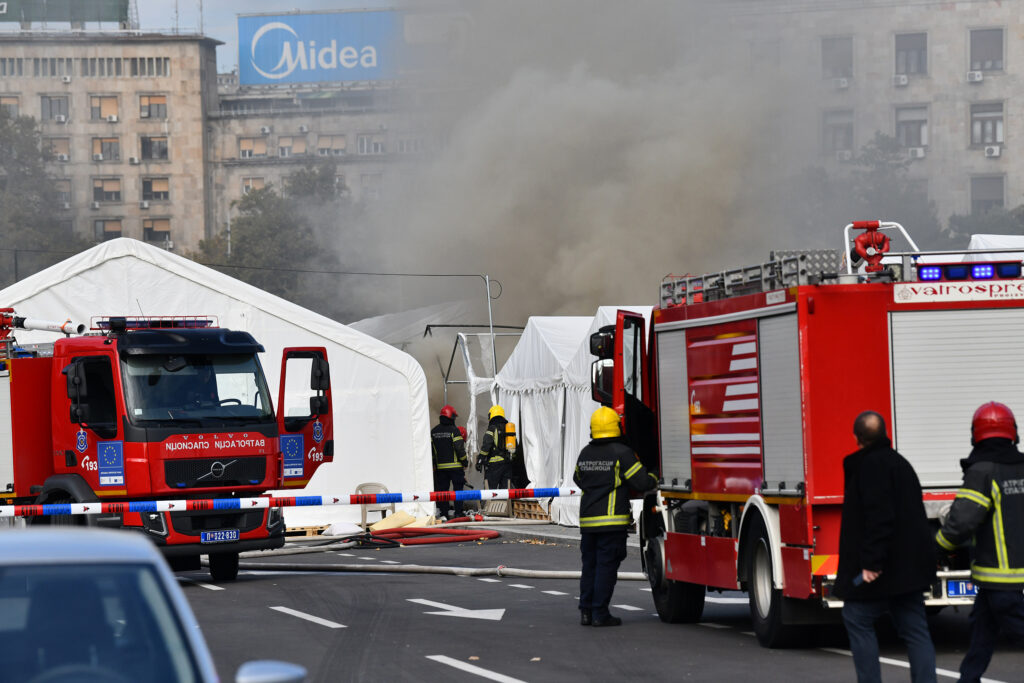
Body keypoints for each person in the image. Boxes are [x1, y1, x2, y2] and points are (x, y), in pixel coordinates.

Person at [834, 411, 936, 683]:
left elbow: (879, 517)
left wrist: (871, 563)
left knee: (856, 617)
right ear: (884, 434)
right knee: (916, 631)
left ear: (856, 438)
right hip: (908, 571)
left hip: (881, 569)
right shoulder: (902, 464)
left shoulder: (868, 467)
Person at [935, 401, 1024, 683]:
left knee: (1016, 628)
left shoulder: (982, 471)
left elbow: (961, 522)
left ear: (976, 435)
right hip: (999, 579)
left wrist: (936, 548)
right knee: (981, 633)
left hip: (999, 576)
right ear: (1014, 432)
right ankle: (968, 680)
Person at [573, 406, 657, 627]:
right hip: (611, 524)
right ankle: (600, 613)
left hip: (588, 523)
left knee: (589, 567)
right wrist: (656, 475)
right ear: (617, 427)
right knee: (606, 568)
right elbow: (642, 482)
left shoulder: (585, 453)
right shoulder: (622, 453)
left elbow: (578, 479)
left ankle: (586, 612)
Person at [430, 405, 467, 520]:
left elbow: (431, 451)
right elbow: (459, 448)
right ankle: (458, 513)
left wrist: (434, 464)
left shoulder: (434, 431)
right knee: (458, 491)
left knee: (442, 492)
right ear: (451, 417)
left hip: (440, 468)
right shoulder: (454, 430)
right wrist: (464, 461)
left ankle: (444, 513)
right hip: (455, 467)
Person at [477, 405, 517, 489]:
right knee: (505, 491)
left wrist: (480, 460)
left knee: (489, 490)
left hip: (494, 465)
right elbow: (515, 444)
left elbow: (486, 446)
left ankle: (486, 502)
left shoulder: (492, 428)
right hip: (507, 464)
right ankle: (504, 503)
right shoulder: (508, 428)